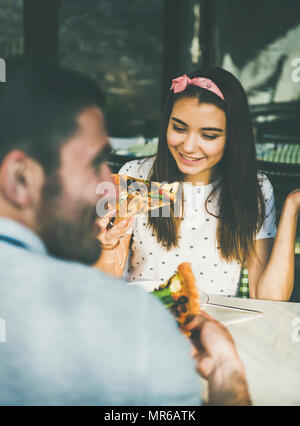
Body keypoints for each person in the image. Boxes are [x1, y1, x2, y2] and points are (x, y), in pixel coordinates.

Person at [0, 58, 251, 406]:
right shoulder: (140, 328)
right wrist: (227, 373)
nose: (111, 183)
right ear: (19, 177)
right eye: (94, 163)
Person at [96, 67, 300, 301]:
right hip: (144, 318)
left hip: (216, 325)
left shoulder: (253, 190)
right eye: (179, 128)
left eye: (209, 135)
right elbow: (103, 284)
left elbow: (269, 299)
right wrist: (106, 244)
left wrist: (292, 206)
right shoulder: (138, 178)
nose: (189, 147)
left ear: (233, 137)